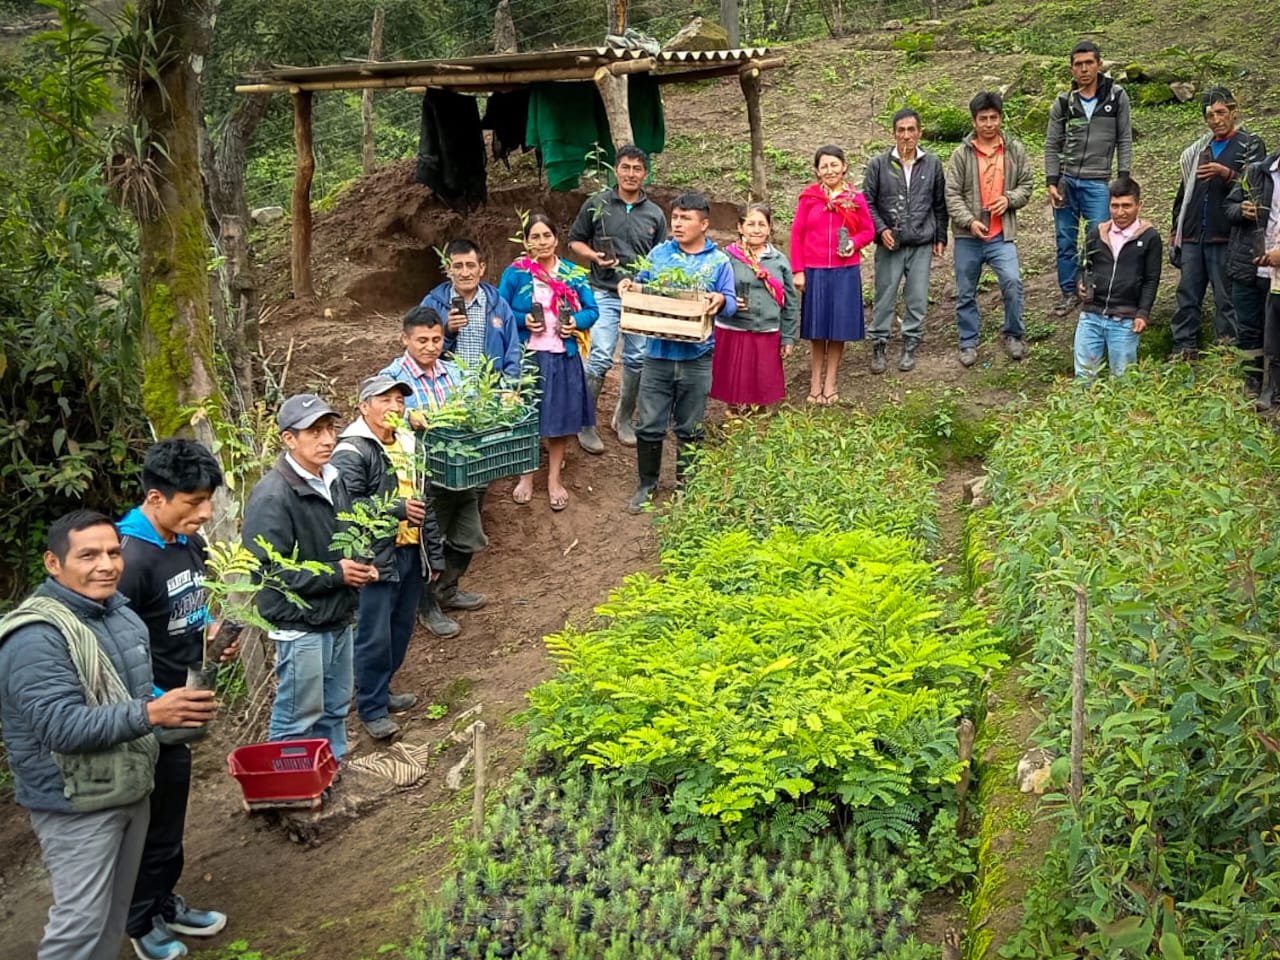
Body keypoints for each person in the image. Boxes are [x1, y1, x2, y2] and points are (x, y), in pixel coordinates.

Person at [0, 510, 216, 960]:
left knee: (112, 915)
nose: (107, 564)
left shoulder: (119, 615)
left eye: (114, 552)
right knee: (79, 926)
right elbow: (61, 726)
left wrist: (172, 716)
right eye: (88, 555)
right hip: (76, 802)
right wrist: (152, 712)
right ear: (53, 564)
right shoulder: (36, 637)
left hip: (128, 785)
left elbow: (131, 699)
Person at [117, 440, 233, 959]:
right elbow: (111, 651)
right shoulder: (127, 558)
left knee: (169, 816)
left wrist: (207, 632)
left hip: (179, 707)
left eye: (207, 499)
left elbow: (185, 607)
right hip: (144, 716)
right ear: (157, 497)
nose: (205, 513)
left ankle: (163, 902)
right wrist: (154, 702)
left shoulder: (188, 542)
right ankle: (139, 922)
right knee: (142, 822)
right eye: (193, 501)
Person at [241, 394, 377, 761]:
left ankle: (332, 772)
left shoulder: (332, 479)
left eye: (330, 429)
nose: (328, 439)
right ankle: (287, 794)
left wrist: (362, 562)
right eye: (314, 431)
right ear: (289, 439)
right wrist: (337, 574)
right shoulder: (272, 495)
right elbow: (267, 571)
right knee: (297, 716)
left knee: (334, 708)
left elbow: (347, 534)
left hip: (337, 615)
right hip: (301, 624)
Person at [331, 376, 447, 741]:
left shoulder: (409, 443)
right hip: (374, 556)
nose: (395, 407)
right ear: (363, 406)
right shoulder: (351, 450)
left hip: (410, 550)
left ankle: (382, 691)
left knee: (400, 628)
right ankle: (371, 708)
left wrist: (433, 551)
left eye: (399, 400)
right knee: (373, 634)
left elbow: (422, 500)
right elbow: (346, 506)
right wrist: (396, 509)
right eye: (385, 400)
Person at [618, 192, 737, 513]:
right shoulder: (659, 254)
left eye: (686, 218)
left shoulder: (718, 261)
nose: (678, 223)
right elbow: (641, 284)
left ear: (704, 224)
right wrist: (628, 285)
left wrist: (720, 301)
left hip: (697, 357)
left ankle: (687, 485)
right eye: (675, 217)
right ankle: (647, 485)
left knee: (691, 426)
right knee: (650, 424)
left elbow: (732, 302)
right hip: (657, 354)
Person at [380, 306, 485, 639]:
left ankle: (447, 589)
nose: (430, 346)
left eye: (436, 339)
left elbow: (473, 407)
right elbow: (378, 418)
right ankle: (426, 607)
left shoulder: (453, 373)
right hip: (420, 474)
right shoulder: (393, 379)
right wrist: (404, 416)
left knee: (469, 537)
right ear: (405, 339)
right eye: (422, 340)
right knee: (429, 543)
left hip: (459, 469)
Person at [567, 144, 668, 451]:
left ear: (645, 174)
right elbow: (574, 242)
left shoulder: (655, 214)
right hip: (604, 292)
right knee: (600, 355)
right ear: (615, 169)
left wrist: (649, 285)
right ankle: (585, 423)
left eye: (637, 169)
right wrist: (595, 257)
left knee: (637, 359)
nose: (631, 174)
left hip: (639, 297)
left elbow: (662, 257)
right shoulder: (598, 203)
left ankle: (623, 419)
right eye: (625, 167)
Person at [498, 213, 600, 510]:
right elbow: (500, 310)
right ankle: (526, 476)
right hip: (528, 357)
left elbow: (592, 310)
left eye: (547, 236)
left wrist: (575, 323)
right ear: (526, 241)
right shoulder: (516, 273)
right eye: (535, 237)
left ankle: (554, 478)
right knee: (528, 418)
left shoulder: (573, 273)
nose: (541, 242)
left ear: (556, 239)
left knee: (559, 420)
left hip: (562, 356)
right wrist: (523, 319)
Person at [1168, 87, 1267, 359]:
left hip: (1225, 235)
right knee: (1187, 294)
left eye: (1221, 113)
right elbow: (1183, 191)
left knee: (1226, 297)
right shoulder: (1200, 149)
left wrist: (1226, 174)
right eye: (1209, 115)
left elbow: (1256, 186)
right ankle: (1183, 348)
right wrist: (1176, 227)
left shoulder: (1249, 144)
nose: (1215, 120)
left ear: (1233, 112)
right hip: (1192, 235)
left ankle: (1224, 352)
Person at [945, 90, 1034, 367]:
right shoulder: (961, 154)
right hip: (968, 237)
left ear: (1000, 118)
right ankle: (968, 341)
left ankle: (1013, 334)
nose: (988, 124)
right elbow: (952, 194)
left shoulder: (1014, 150)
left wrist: (1009, 199)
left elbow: (1027, 185)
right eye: (982, 118)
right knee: (965, 289)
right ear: (974, 121)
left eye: (993, 117)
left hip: (1000, 234)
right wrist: (969, 221)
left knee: (1012, 281)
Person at [1045, 41, 1133, 317]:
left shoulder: (1116, 97)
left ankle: (1095, 291)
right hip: (1066, 181)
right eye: (1078, 64)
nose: (1083, 69)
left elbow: (1124, 139)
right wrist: (1051, 179)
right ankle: (1069, 292)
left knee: (1097, 237)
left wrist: (1123, 178)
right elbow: (1052, 144)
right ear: (1071, 68)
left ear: (1099, 64)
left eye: (1089, 63)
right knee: (1065, 239)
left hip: (1098, 182)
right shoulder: (1064, 102)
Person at [862, 108, 948, 373]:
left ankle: (911, 343)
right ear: (894, 133)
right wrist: (881, 230)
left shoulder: (932, 163)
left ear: (919, 132)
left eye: (911, 130)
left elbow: (939, 203)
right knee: (885, 295)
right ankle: (879, 344)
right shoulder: (879, 164)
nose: (907, 136)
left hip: (922, 241)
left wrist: (940, 235)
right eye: (901, 130)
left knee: (917, 297)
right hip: (891, 243)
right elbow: (867, 202)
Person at [789, 144, 875, 403]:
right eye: (824, 166)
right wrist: (798, 270)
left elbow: (868, 231)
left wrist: (854, 243)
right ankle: (814, 383)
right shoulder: (809, 198)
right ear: (817, 170)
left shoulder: (854, 199)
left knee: (838, 329)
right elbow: (797, 234)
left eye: (834, 164)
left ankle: (831, 383)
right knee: (817, 330)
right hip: (815, 271)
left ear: (844, 166)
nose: (829, 170)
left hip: (844, 271)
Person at [1072, 177, 1163, 380]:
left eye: (1126, 206)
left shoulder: (1149, 238)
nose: (1120, 212)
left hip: (1125, 319)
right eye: (1115, 206)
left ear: (1139, 205)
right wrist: (1080, 285)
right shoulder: (1097, 233)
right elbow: (1082, 266)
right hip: (1091, 316)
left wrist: (1143, 313)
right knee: (1084, 376)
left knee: (1123, 378)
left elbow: (1151, 279)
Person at [711, 203, 798, 410]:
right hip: (734, 329)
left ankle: (759, 426)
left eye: (762, 224)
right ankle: (732, 420)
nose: (756, 229)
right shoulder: (726, 258)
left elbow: (790, 302)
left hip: (767, 331)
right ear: (740, 227)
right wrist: (726, 301)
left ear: (769, 228)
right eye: (750, 224)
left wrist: (788, 337)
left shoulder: (779, 261)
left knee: (761, 386)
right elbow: (712, 290)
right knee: (734, 385)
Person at [419, 239, 522, 381]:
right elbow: (419, 351)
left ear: (482, 268)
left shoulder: (498, 304)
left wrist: (509, 386)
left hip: (489, 391)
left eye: (471, 265)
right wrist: (447, 332)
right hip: (448, 392)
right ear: (448, 269)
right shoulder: (432, 304)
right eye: (458, 266)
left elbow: (513, 350)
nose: (465, 273)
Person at [1224, 146, 1280, 396]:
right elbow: (1229, 207)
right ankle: (1252, 381)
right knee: (1248, 328)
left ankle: (1273, 390)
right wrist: (1241, 210)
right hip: (1249, 266)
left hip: (1278, 274)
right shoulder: (1257, 172)